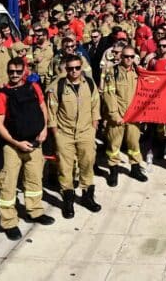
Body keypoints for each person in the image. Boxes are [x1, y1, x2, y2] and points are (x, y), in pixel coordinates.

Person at [0, 57, 55, 240]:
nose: (14, 75)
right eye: (11, 71)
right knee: (8, 187)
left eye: (18, 71)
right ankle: (9, 222)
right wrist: (16, 143)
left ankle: (34, 211)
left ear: (24, 71)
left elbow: (43, 107)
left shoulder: (33, 87)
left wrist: (43, 130)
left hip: (35, 143)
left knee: (34, 180)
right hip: (12, 147)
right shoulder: (1, 95)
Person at [47, 54, 102, 218]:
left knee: (87, 163)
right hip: (65, 133)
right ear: (66, 68)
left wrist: (94, 127)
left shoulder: (89, 84)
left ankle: (87, 196)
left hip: (86, 132)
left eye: (77, 68)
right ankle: (68, 200)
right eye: (70, 68)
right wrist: (56, 134)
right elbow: (52, 113)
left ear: (81, 67)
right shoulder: (57, 86)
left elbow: (95, 106)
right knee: (65, 168)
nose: (74, 71)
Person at [102, 45, 148, 186]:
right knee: (114, 146)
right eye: (126, 56)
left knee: (134, 144)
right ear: (121, 57)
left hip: (134, 117)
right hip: (117, 117)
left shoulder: (138, 72)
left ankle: (135, 169)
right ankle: (113, 172)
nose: (129, 59)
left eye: (131, 56)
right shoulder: (113, 71)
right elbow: (109, 94)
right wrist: (115, 115)